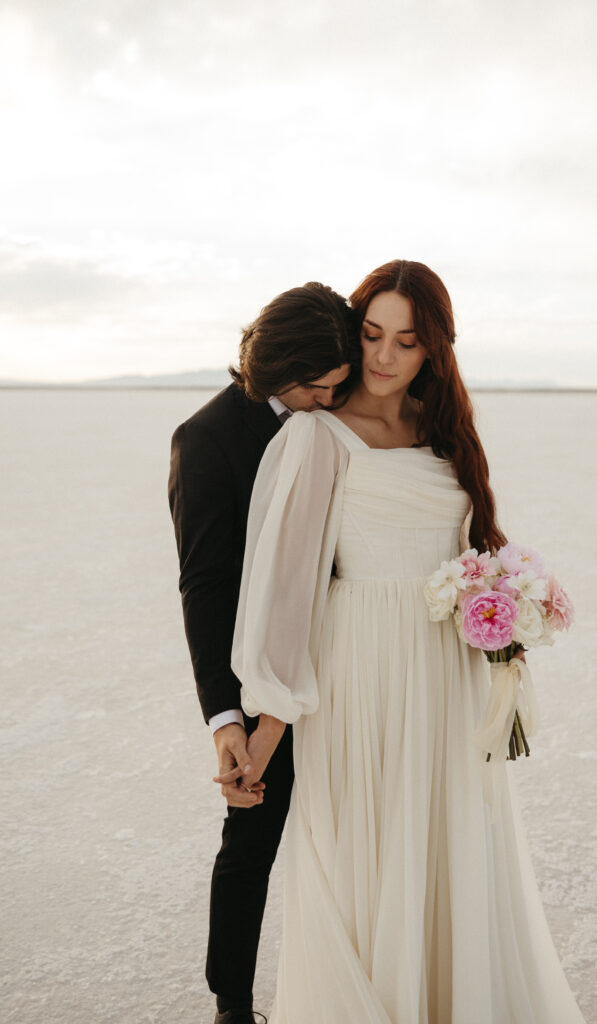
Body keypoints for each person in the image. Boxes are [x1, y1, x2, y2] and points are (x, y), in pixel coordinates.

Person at [224, 260, 586, 1023]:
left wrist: (505, 618)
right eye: (372, 335)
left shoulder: (441, 430)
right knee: (366, 861)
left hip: (445, 677)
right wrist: (267, 726)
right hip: (358, 671)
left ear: (433, 350)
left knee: (450, 852)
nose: (385, 357)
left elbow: (464, 551)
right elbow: (286, 590)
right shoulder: (315, 437)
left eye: (407, 341)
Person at [168, 281, 355, 1024]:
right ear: (273, 368)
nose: (329, 399)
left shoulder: (345, 410)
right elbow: (205, 586)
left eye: (338, 385)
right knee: (250, 842)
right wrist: (225, 718)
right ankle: (233, 1006)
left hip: (356, 653)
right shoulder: (208, 440)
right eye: (315, 386)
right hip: (266, 670)